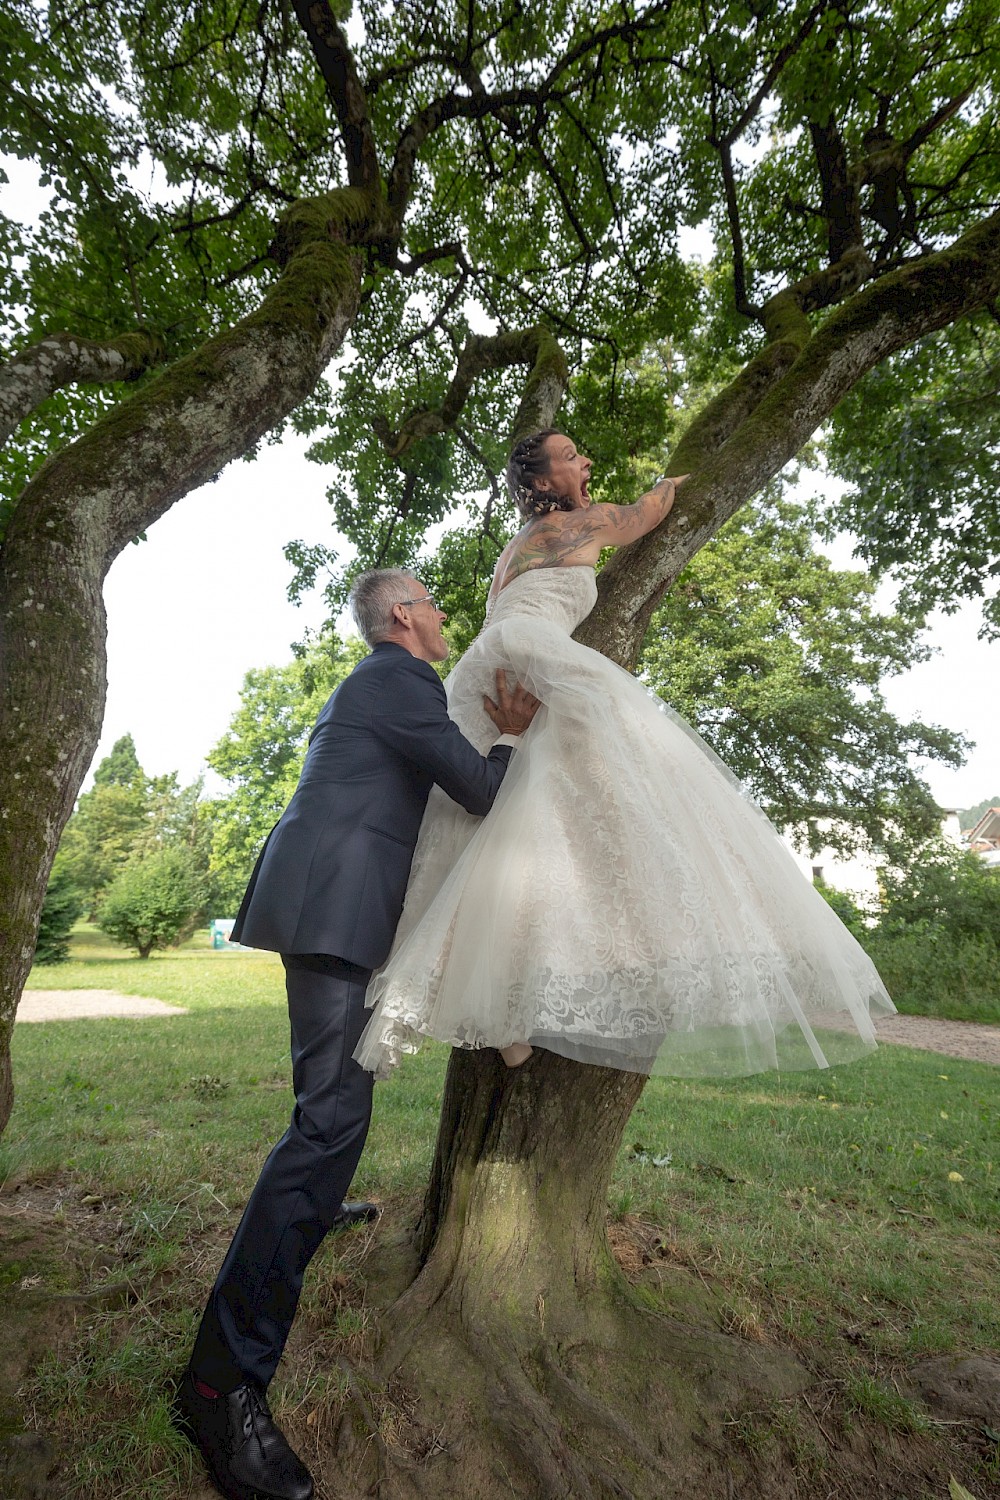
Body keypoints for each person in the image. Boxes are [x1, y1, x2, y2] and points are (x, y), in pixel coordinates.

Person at [355, 429, 896, 1080]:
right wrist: (673, 483)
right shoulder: (579, 523)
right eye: (572, 455)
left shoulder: (516, 549)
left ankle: (502, 1018)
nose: (588, 460)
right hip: (524, 652)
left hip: (481, 668)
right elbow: (646, 517)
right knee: (624, 759)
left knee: (476, 827)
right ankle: (635, 938)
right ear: (546, 482)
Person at [175, 567, 538, 1500]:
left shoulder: (378, 687)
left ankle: (316, 1204)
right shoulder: (398, 679)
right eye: (435, 603)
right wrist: (511, 735)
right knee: (328, 1124)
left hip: (333, 909)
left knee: (333, 1112)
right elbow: (479, 790)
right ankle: (220, 1385)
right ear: (405, 616)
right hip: (335, 915)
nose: (447, 616)